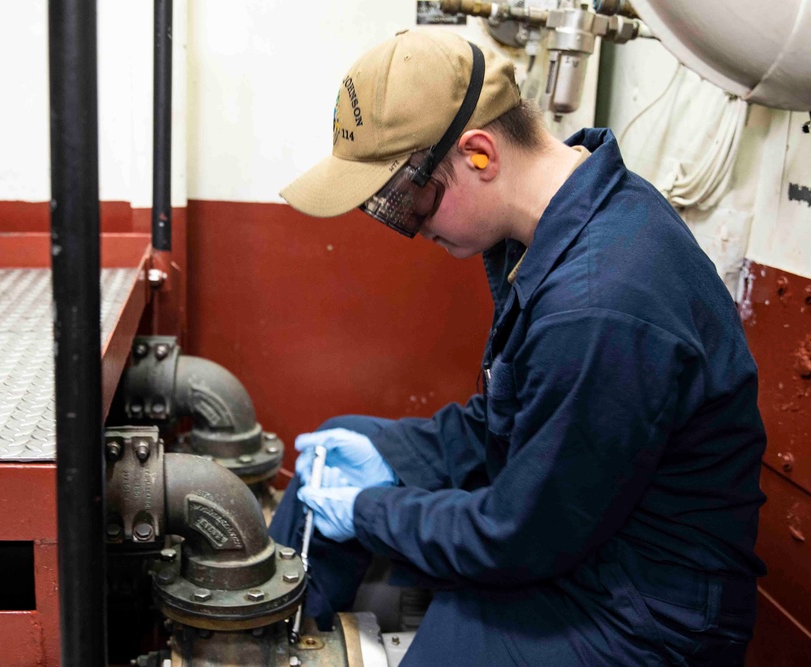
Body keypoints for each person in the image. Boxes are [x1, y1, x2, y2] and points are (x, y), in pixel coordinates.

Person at [268, 28, 767, 666]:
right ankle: (277, 643)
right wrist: (392, 462)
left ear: (479, 154)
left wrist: (375, 511)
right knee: (336, 455)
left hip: (641, 611)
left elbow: (517, 535)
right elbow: (518, 419)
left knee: (451, 642)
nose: (410, 227)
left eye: (408, 198)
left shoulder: (599, 301)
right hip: (577, 531)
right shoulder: (556, 221)